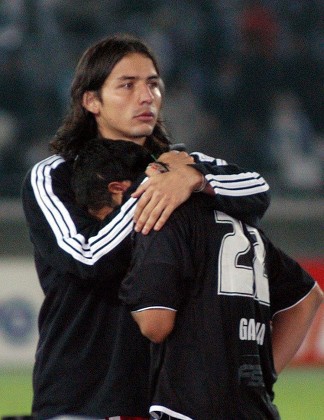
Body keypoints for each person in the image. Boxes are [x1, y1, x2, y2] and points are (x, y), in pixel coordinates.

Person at [22, 33, 271, 419]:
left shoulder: (183, 167)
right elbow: (87, 256)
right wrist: (155, 187)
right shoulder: (53, 176)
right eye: (127, 85)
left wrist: (197, 180)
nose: (146, 96)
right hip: (82, 398)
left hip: (167, 402)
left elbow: (258, 190)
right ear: (91, 101)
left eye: (153, 83)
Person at [120, 199, 323, 419]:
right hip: (255, 408)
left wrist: (125, 291)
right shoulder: (247, 229)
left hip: (190, 406)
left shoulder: (168, 221)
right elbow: (308, 298)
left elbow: (155, 325)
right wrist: (263, 378)